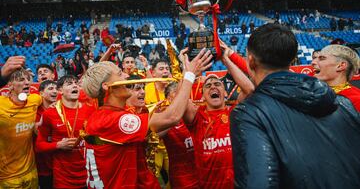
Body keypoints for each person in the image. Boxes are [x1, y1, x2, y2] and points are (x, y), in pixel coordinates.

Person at [230, 23, 360, 189]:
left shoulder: (249, 113)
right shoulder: (343, 104)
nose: (315, 62)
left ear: (251, 61)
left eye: (322, 58)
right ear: (292, 60)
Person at [80, 48, 212, 188]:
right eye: (120, 74)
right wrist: (189, 76)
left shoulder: (109, 115)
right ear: (107, 86)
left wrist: (185, 74)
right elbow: (172, 117)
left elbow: (158, 130)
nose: (126, 76)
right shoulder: (112, 120)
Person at [182, 46, 254, 188]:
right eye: (208, 86)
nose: (213, 87)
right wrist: (187, 68)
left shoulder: (235, 113)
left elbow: (250, 89)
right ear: (202, 96)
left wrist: (225, 59)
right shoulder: (197, 116)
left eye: (217, 84)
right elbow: (181, 97)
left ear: (226, 93)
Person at [36, 75, 95, 189]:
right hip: (63, 178)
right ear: (60, 91)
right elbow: (39, 146)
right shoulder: (50, 114)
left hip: (88, 174)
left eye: (76, 83)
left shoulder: (90, 110)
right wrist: (58, 145)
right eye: (69, 84)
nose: (74, 85)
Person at [0, 69, 42, 188]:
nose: (27, 83)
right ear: (9, 85)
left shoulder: (34, 100)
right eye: (21, 80)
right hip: (7, 177)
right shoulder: (1, 104)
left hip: (31, 172)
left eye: (28, 79)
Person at [311, 44, 360, 111]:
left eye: (322, 58)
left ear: (340, 66)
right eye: (314, 58)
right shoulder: (310, 91)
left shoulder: (356, 101)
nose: (313, 62)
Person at [35, 80, 58, 189]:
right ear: (41, 93)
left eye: (56, 89)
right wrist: (47, 113)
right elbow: (34, 131)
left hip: (59, 165)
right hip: (42, 165)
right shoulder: (33, 111)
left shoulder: (61, 108)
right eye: (50, 89)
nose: (55, 91)